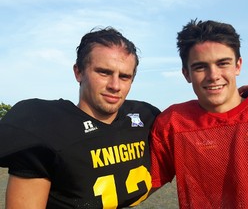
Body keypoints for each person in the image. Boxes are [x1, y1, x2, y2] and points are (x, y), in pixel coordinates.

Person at [0, 27, 160, 208]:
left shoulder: (145, 117)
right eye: (104, 72)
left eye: (124, 76)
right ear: (78, 72)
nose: (115, 85)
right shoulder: (46, 124)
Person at [149, 19, 248, 208]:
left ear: (238, 65)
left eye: (223, 63)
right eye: (200, 67)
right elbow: (140, 185)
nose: (213, 75)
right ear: (186, 74)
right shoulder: (173, 123)